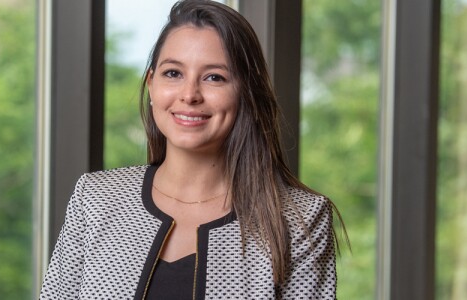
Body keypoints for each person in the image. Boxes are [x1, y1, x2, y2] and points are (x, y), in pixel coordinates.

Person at [40, 0, 339, 299]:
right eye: (173, 73)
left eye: (214, 77)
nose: (189, 95)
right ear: (151, 85)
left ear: (246, 93)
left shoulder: (300, 219)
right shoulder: (96, 199)